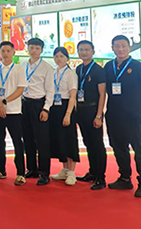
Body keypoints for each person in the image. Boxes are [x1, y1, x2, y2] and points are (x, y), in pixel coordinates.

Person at [105, 35, 141, 198]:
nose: (120, 49)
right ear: (112, 48)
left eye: (123, 46)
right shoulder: (108, 67)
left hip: (134, 118)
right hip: (114, 116)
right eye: (117, 46)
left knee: (140, 150)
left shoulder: (139, 67)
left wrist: (135, 107)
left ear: (129, 47)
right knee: (119, 148)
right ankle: (125, 178)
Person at [0, 41, 27, 186]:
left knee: (17, 142)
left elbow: (20, 90)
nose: (5, 54)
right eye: (3, 51)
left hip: (14, 111)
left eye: (8, 51)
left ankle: (20, 173)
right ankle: (0, 169)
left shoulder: (19, 70)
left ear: (13, 53)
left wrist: (4, 102)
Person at [74, 40, 107, 190]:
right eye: (81, 50)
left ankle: (101, 177)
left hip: (94, 110)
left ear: (93, 52)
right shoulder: (78, 69)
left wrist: (99, 115)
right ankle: (92, 172)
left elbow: (102, 94)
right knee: (87, 143)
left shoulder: (98, 70)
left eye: (87, 50)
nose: (84, 52)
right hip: (81, 110)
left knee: (97, 144)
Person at [21, 37, 54, 186]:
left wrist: (46, 108)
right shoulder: (22, 65)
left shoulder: (47, 68)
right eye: (31, 48)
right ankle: (32, 168)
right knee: (27, 138)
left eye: (37, 48)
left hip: (39, 104)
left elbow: (50, 90)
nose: (33, 51)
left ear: (41, 50)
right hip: (24, 103)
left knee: (42, 140)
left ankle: (44, 173)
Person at [48, 47, 79, 186]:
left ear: (67, 58)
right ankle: (65, 169)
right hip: (55, 107)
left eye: (61, 56)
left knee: (69, 139)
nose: (58, 59)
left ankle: (72, 172)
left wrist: (68, 114)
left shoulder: (70, 74)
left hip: (66, 107)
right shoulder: (53, 72)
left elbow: (73, 96)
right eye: (56, 56)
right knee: (60, 139)